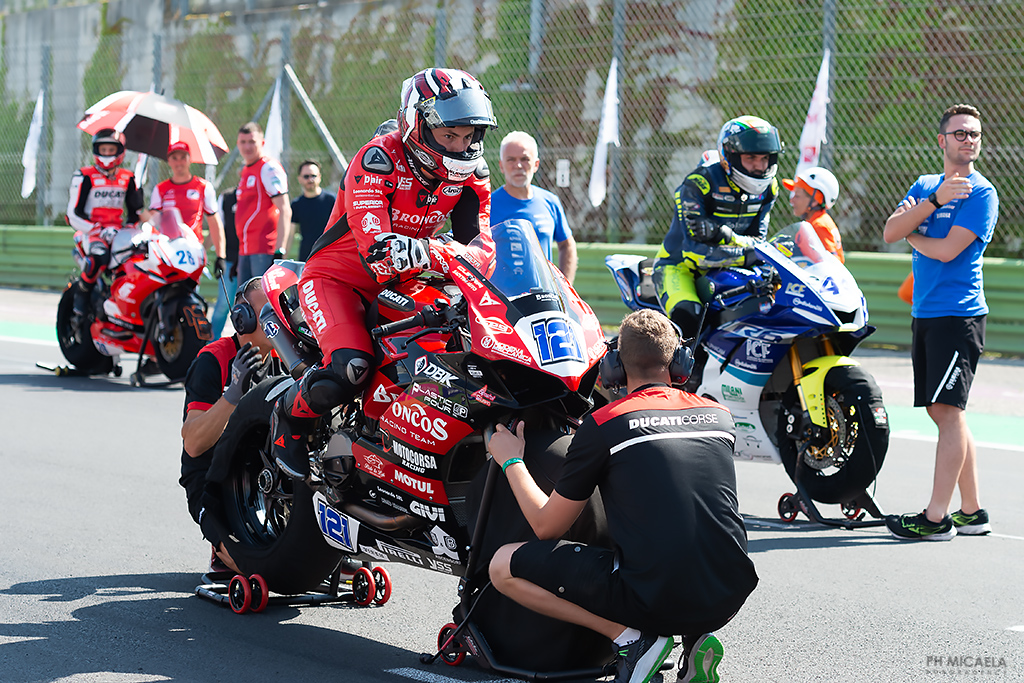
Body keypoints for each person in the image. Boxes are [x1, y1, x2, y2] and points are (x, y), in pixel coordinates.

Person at [486, 309, 757, 683]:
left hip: (655, 596)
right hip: (729, 594)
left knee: (502, 566)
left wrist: (511, 460)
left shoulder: (606, 423)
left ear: (613, 367)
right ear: (680, 362)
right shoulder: (719, 415)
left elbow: (546, 527)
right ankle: (695, 635)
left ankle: (633, 640)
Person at [270, 67, 497, 480]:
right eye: (449, 135)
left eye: (468, 136)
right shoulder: (378, 159)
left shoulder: (474, 174)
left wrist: (440, 254)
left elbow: (482, 252)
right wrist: (445, 253)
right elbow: (380, 252)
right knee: (350, 368)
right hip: (338, 280)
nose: (460, 146)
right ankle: (288, 419)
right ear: (416, 123)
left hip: (410, 282)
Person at [882, 103, 998, 541]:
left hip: (959, 315)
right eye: (960, 133)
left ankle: (936, 518)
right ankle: (972, 511)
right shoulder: (925, 185)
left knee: (947, 412)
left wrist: (913, 230)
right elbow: (889, 232)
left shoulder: (982, 194)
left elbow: (947, 251)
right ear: (942, 140)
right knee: (944, 411)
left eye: (975, 134)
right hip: (926, 313)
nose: (969, 140)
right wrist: (932, 202)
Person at [653, 115, 783, 388]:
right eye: (751, 158)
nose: (759, 166)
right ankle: (669, 386)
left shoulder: (769, 188)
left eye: (765, 159)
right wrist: (748, 252)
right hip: (681, 266)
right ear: (729, 156)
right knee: (689, 315)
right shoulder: (698, 183)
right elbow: (696, 250)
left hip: (731, 268)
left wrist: (751, 252)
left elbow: (758, 240)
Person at [180, 277, 275, 572]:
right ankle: (222, 546)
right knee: (248, 564)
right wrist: (233, 394)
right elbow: (193, 444)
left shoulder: (286, 359)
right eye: (268, 312)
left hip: (267, 473)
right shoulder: (213, 359)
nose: (278, 319)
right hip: (213, 477)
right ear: (242, 318)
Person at [66, 128, 150, 315]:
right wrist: (98, 230)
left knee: (143, 256)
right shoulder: (84, 176)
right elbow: (72, 214)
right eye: (103, 149)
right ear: (96, 150)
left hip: (119, 234)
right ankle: (82, 294)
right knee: (99, 257)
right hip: (92, 233)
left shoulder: (128, 177)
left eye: (111, 150)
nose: (106, 154)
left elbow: (134, 213)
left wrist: (131, 226)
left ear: (120, 151)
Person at [491, 130, 578, 284]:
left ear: (536, 164)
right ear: (501, 166)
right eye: (511, 160)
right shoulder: (487, 205)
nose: (518, 165)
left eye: (525, 159)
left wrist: (565, 287)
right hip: (502, 297)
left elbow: (567, 244)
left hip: (544, 295)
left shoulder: (550, 201)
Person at [149, 141, 226, 275]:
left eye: (183, 157)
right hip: (166, 252)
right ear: (169, 161)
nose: (179, 162)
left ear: (190, 159)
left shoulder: (203, 187)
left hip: (192, 251)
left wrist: (221, 256)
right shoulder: (160, 189)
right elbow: (152, 222)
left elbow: (214, 221)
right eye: (174, 158)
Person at [235, 121, 291, 284]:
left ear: (262, 143)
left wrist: (280, 250)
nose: (247, 147)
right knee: (244, 298)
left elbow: (285, 209)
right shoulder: (246, 170)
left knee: (262, 298)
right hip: (245, 250)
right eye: (243, 142)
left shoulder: (268, 168)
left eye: (252, 141)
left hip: (264, 250)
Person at [781, 166, 845, 262]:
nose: (791, 200)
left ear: (815, 201)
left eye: (797, 196)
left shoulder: (819, 225)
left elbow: (832, 263)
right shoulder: (813, 222)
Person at [209, 187, 240, 338]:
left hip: (253, 259)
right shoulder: (227, 197)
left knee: (249, 306)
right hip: (229, 259)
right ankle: (212, 342)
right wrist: (202, 251)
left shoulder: (262, 194)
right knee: (223, 304)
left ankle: (246, 344)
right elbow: (217, 227)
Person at [290, 160, 336, 261]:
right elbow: (290, 234)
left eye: (313, 176)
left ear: (319, 177)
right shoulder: (296, 204)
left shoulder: (332, 200)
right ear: (299, 179)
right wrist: (283, 255)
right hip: (306, 257)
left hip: (329, 255)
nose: (310, 179)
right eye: (306, 176)